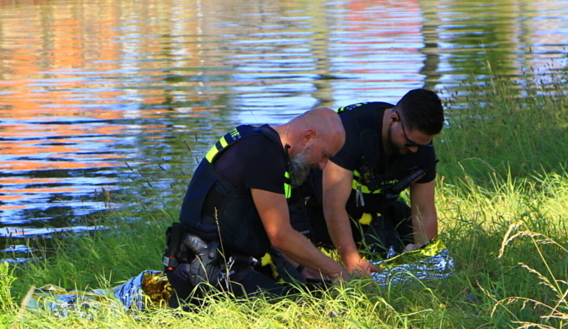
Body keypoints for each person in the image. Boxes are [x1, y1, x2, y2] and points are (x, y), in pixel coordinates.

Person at [163, 107, 349, 305]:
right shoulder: (264, 154)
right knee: (302, 314)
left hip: (200, 261)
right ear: (308, 137)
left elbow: (271, 230)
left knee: (315, 294)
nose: (323, 165)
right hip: (210, 271)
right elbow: (280, 235)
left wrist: (306, 269)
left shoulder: (253, 137)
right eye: (324, 155)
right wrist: (338, 272)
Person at [290, 89, 445, 277]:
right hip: (313, 206)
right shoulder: (352, 131)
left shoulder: (421, 148)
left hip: (368, 208)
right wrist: (352, 261)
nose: (414, 150)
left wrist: (426, 258)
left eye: (422, 145)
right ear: (393, 119)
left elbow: (424, 211)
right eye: (409, 142)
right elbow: (333, 206)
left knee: (399, 240)